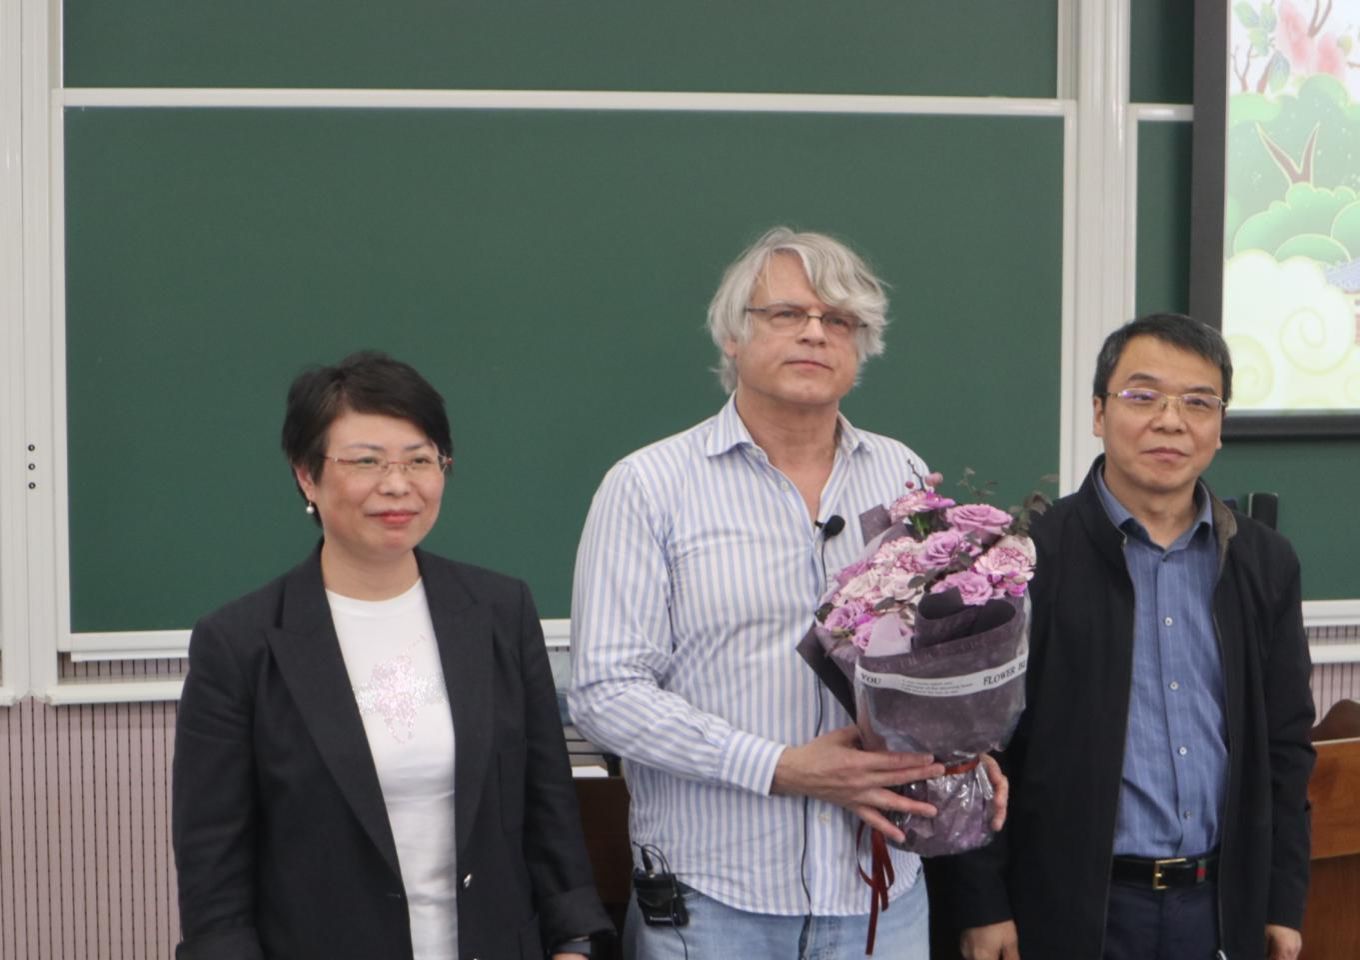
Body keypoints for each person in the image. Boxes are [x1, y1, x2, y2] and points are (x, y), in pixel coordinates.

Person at [568, 227, 1005, 960]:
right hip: (713, 904)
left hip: (879, 898)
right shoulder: (648, 486)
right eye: (786, 314)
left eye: (839, 320)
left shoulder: (901, 473)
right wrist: (776, 766)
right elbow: (605, 693)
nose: (814, 333)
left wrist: (958, 749)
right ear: (733, 337)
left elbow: (930, 660)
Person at [173, 351, 611, 960]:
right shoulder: (240, 644)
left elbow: (548, 805)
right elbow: (213, 866)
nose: (398, 484)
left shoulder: (499, 611)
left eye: (420, 459)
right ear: (306, 475)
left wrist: (575, 943)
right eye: (366, 461)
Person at [940, 314, 1315, 960]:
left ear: (1219, 425)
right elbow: (968, 748)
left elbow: (1285, 745)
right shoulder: (1026, 559)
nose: (1171, 421)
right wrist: (981, 903)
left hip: (1219, 907)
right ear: (1098, 412)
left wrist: (1282, 899)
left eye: (1197, 402)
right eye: (1143, 396)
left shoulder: (1263, 562)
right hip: (1069, 907)